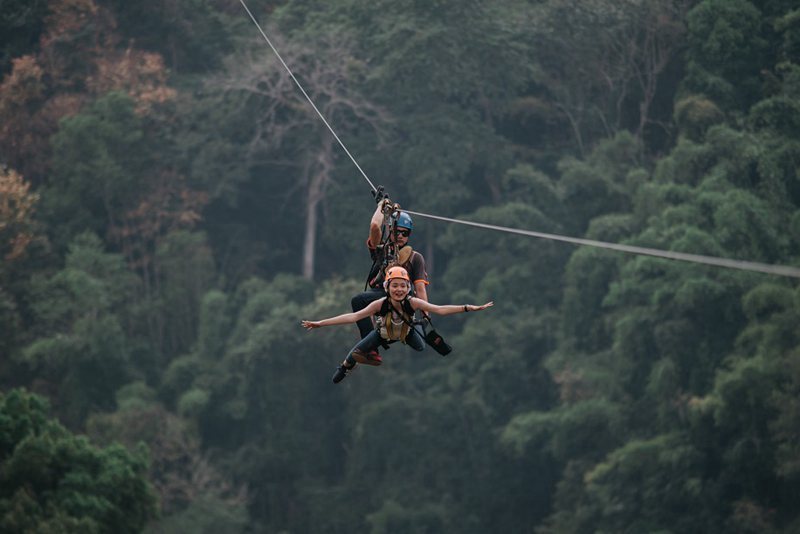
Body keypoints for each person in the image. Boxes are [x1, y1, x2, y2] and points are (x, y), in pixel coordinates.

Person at [302, 266, 493, 383]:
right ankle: (345, 367)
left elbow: (440, 309)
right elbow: (353, 317)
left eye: (403, 286)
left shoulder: (412, 302)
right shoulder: (380, 304)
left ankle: (415, 328)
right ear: (387, 288)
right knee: (354, 354)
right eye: (395, 285)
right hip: (383, 334)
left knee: (420, 347)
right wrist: (320, 323)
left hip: (406, 333)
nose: (399, 290)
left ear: (408, 288)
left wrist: (469, 307)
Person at [350, 200, 429, 365]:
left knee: (421, 345)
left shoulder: (416, 258)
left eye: (405, 233)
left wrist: (426, 315)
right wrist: (381, 207)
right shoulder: (382, 250)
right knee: (358, 300)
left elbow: (420, 288)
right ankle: (371, 351)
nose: (400, 235)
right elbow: (374, 227)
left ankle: (404, 332)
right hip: (382, 296)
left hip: (404, 300)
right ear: (390, 230)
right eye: (397, 231)